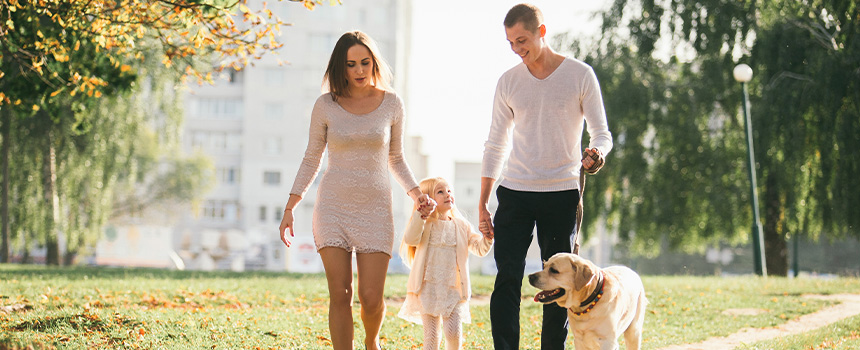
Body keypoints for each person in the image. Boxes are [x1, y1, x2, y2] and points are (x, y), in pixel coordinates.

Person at [279, 30, 432, 350]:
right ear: (340, 67)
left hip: (376, 210)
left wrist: (417, 194)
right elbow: (311, 158)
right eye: (351, 64)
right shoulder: (326, 106)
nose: (359, 70)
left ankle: (371, 340)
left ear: (374, 63)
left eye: (365, 62)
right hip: (332, 208)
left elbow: (397, 158)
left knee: (371, 297)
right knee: (341, 293)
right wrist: (291, 206)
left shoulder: (392, 104)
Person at [477, 4, 613, 350]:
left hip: (560, 192)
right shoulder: (508, 82)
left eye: (522, 39)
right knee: (507, 277)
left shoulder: (580, 75)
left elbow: (602, 133)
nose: (516, 48)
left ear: (542, 32)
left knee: (558, 286)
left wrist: (596, 154)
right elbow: (495, 143)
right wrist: (483, 203)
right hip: (515, 191)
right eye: (510, 42)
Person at [397, 177, 494, 350]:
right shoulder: (424, 223)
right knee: (432, 336)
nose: (448, 194)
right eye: (440, 192)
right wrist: (421, 214)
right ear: (426, 198)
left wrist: (487, 238)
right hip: (428, 288)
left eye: (449, 191)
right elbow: (410, 238)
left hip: (453, 288)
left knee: (453, 333)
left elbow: (479, 248)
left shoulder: (461, 225)